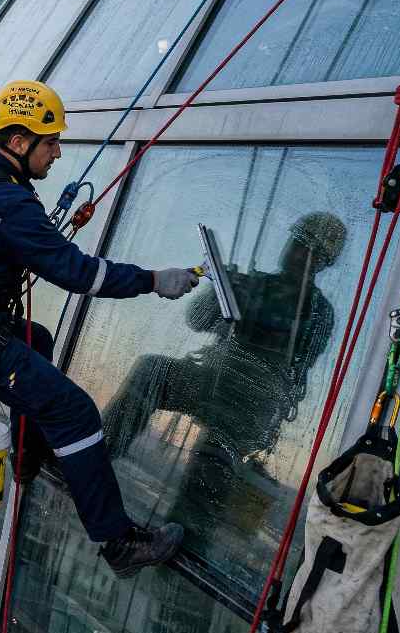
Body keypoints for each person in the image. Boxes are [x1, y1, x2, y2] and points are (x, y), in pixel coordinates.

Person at [0, 80, 199, 578]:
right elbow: (78, 273)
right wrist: (155, 281)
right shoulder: (10, 203)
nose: (58, 153)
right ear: (20, 143)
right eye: (50, 143)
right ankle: (118, 542)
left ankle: (28, 456)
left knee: (39, 340)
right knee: (74, 411)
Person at [101, 214, 343, 552]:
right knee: (151, 371)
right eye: (297, 242)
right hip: (215, 379)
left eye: (307, 249)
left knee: (209, 469)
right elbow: (197, 320)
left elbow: (294, 350)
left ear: (321, 262)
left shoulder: (319, 311)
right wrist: (221, 292)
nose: (295, 251)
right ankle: (99, 459)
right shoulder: (259, 284)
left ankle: (184, 545)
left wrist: (249, 300)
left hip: (251, 403)